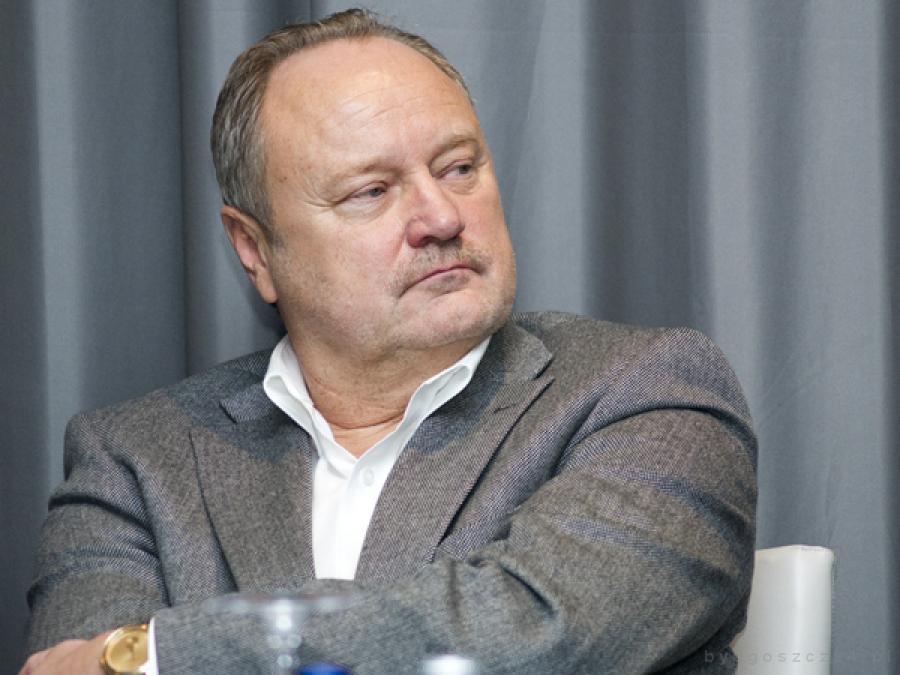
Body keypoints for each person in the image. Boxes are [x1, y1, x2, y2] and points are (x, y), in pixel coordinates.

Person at [21, 8, 757, 674]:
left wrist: (156, 655)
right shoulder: (134, 461)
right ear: (254, 249)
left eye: (458, 168)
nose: (441, 216)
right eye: (371, 191)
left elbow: (539, 627)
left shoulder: (646, 391)